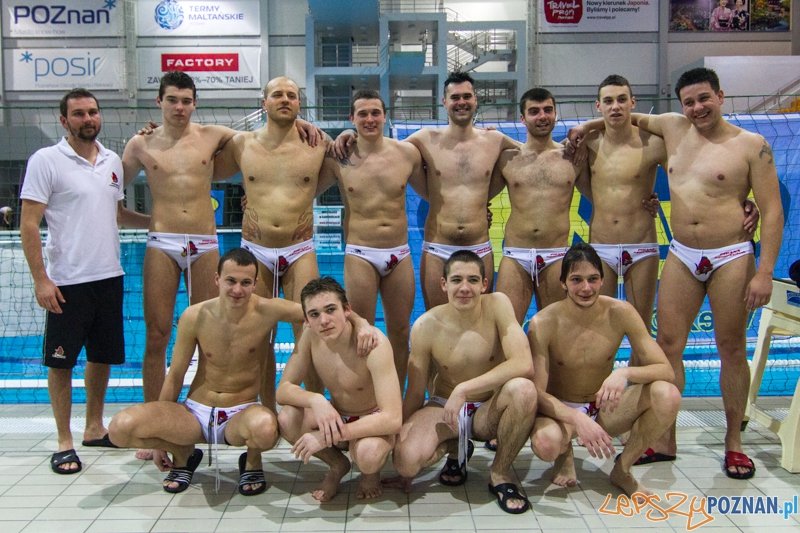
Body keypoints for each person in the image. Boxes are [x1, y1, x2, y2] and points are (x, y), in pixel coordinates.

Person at [575, 68, 784, 478]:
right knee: (667, 345)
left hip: (731, 255)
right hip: (683, 255)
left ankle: (733, 442)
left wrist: (765, 271)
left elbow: (772, 210)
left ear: (721, 96)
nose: (697, 108)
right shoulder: (671, 127)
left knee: (730, 347)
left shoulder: (751, 145)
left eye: (704, 99)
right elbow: (619, 118)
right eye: (689, 102)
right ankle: (664, 437)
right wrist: (583, 124)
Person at [108, 249, 379, 494]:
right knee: (120, 429)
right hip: (195, 411)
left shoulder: (266, 310)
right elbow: (176, 375)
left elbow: (320, 311)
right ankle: (183, 455)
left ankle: (252, 460)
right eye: (231, 281)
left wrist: (362, 322)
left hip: (241, 413)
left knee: (265, 428)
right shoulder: (195, 315)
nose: (238, 290)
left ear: (255, 283)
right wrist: (161, 440)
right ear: (217, 279)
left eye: (246, 283)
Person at [19, 88, 148, 475]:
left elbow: (119, 214)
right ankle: (64, 441)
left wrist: (164, 223)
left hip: (108, 276)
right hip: (67, 281)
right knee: (61, 363)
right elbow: (28, 224)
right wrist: (42, 280)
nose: (87, 119)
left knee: (101, 357)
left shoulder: (111, 161)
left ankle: (94, 428)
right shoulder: (46, 161)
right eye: (78, 114)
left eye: (92, 112)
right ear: (64, 121)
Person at [121, 71, 238, 460]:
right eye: (172, 100)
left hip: (204, 244)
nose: (180, 107)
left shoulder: (212, 135)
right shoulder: (138, 145)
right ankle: (155, 422)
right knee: (156, 335)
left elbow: (267, 138)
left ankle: (199, 417)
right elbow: (106, 196)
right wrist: (148, 222)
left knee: (208, 336)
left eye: (187, 100)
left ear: (195, 103)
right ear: (159, 101)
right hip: (162, 243)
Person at [335, 72, 520, 309]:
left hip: (479, 246)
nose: (461, 102)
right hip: (437, 247)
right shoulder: (424, 139)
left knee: (480, 322)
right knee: (437, 321)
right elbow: (383, 148)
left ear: (475, 100)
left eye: (466, 96)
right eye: (455, 97)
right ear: (444, 102)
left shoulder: (495, 140)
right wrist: (349, 134)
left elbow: (535, 150)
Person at [387, 250, 538, 514]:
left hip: (488, 408)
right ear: (444, 284)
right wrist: (399, 442)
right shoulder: (425, 326)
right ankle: (457, 447)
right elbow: (414, 393)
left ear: (484, 284)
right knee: (406, 462)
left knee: (523, 390)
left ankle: (500, 474)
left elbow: (524, 363)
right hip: (444, 409)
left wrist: (464, 388)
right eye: (456, 280)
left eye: (472, 280)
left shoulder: (498, 305)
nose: (464, 288)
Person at [528, 243, 681, 498]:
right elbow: (537, 394)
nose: (586, 288)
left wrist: (624, 373)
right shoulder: (544, 322)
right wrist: (577, 419)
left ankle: (622, 469)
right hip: (562, 411)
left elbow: (666, 370)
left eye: (593, 279)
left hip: (603, 406)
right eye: (576, 280)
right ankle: (565, 454)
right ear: (563, 283)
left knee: (668, 395)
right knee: (546, 445)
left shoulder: (621, 312)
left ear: (602, 280)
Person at [214, 76, 332, 399]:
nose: (285, 100)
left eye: (291, 96)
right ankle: (265, 420)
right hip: (255, 252)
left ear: (299, 104)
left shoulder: (318, 144)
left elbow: (354, 157)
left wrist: (346, 132)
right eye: (277, 95)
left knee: (309, 332)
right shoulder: (242, 144)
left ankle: (314, 414)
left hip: (300, 250)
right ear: (263, 103)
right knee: (259, 338)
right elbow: (199, 165)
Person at [317, 90, 427, 385]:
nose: (369, 119)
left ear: (385, 116)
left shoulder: (407, 154)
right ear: (351, 118)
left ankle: (399, 402)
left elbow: (437, 193)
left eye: (375, 113)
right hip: (360, 254)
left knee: (401, 331)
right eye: (362, 114)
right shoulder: (338, 158)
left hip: (399, 254)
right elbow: (304, 190)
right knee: (359, 332)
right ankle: (364, 400)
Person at [276, 277, 402, 502]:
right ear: (306, 320)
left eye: (330, 310)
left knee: (368, 455)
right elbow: (283, 390)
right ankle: (337, 465)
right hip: (338, 415)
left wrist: (326, 437)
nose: (323, 320)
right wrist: (317, 400)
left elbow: (392, 418)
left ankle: (369, 473)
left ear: (346, 310)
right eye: (314, 314)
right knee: (287, 418)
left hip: (372, 421)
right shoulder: (310, 337)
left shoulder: (374, 343)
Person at [491, 88, 589, 323]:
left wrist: (646, 201)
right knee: (505, 331)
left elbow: (603, 198)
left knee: (557, 335)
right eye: (534, 112)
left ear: (555, 114)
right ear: (523, 119)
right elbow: (477, 197)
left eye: (547, 110)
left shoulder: (572, 157)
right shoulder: (507, 157)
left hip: (556, 256)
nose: (542, 116)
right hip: (516, 256)